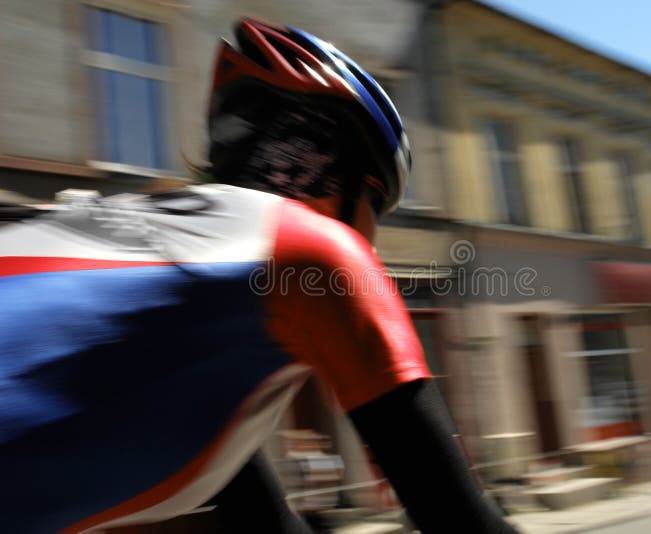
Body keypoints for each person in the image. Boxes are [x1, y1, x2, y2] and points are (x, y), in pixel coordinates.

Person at [0, 18, 519, 534]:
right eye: (376, 207)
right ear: (344, 181)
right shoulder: (314, 249)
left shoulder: (152, 280)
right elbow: (457, 517)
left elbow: (260, 518)